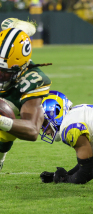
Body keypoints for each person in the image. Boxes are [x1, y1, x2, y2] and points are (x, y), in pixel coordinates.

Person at [0, 18, 52, 171]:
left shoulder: (34, 79)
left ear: (21, 67)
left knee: (9, 112)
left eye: (5, 73)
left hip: (9, 111)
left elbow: (32, 130)